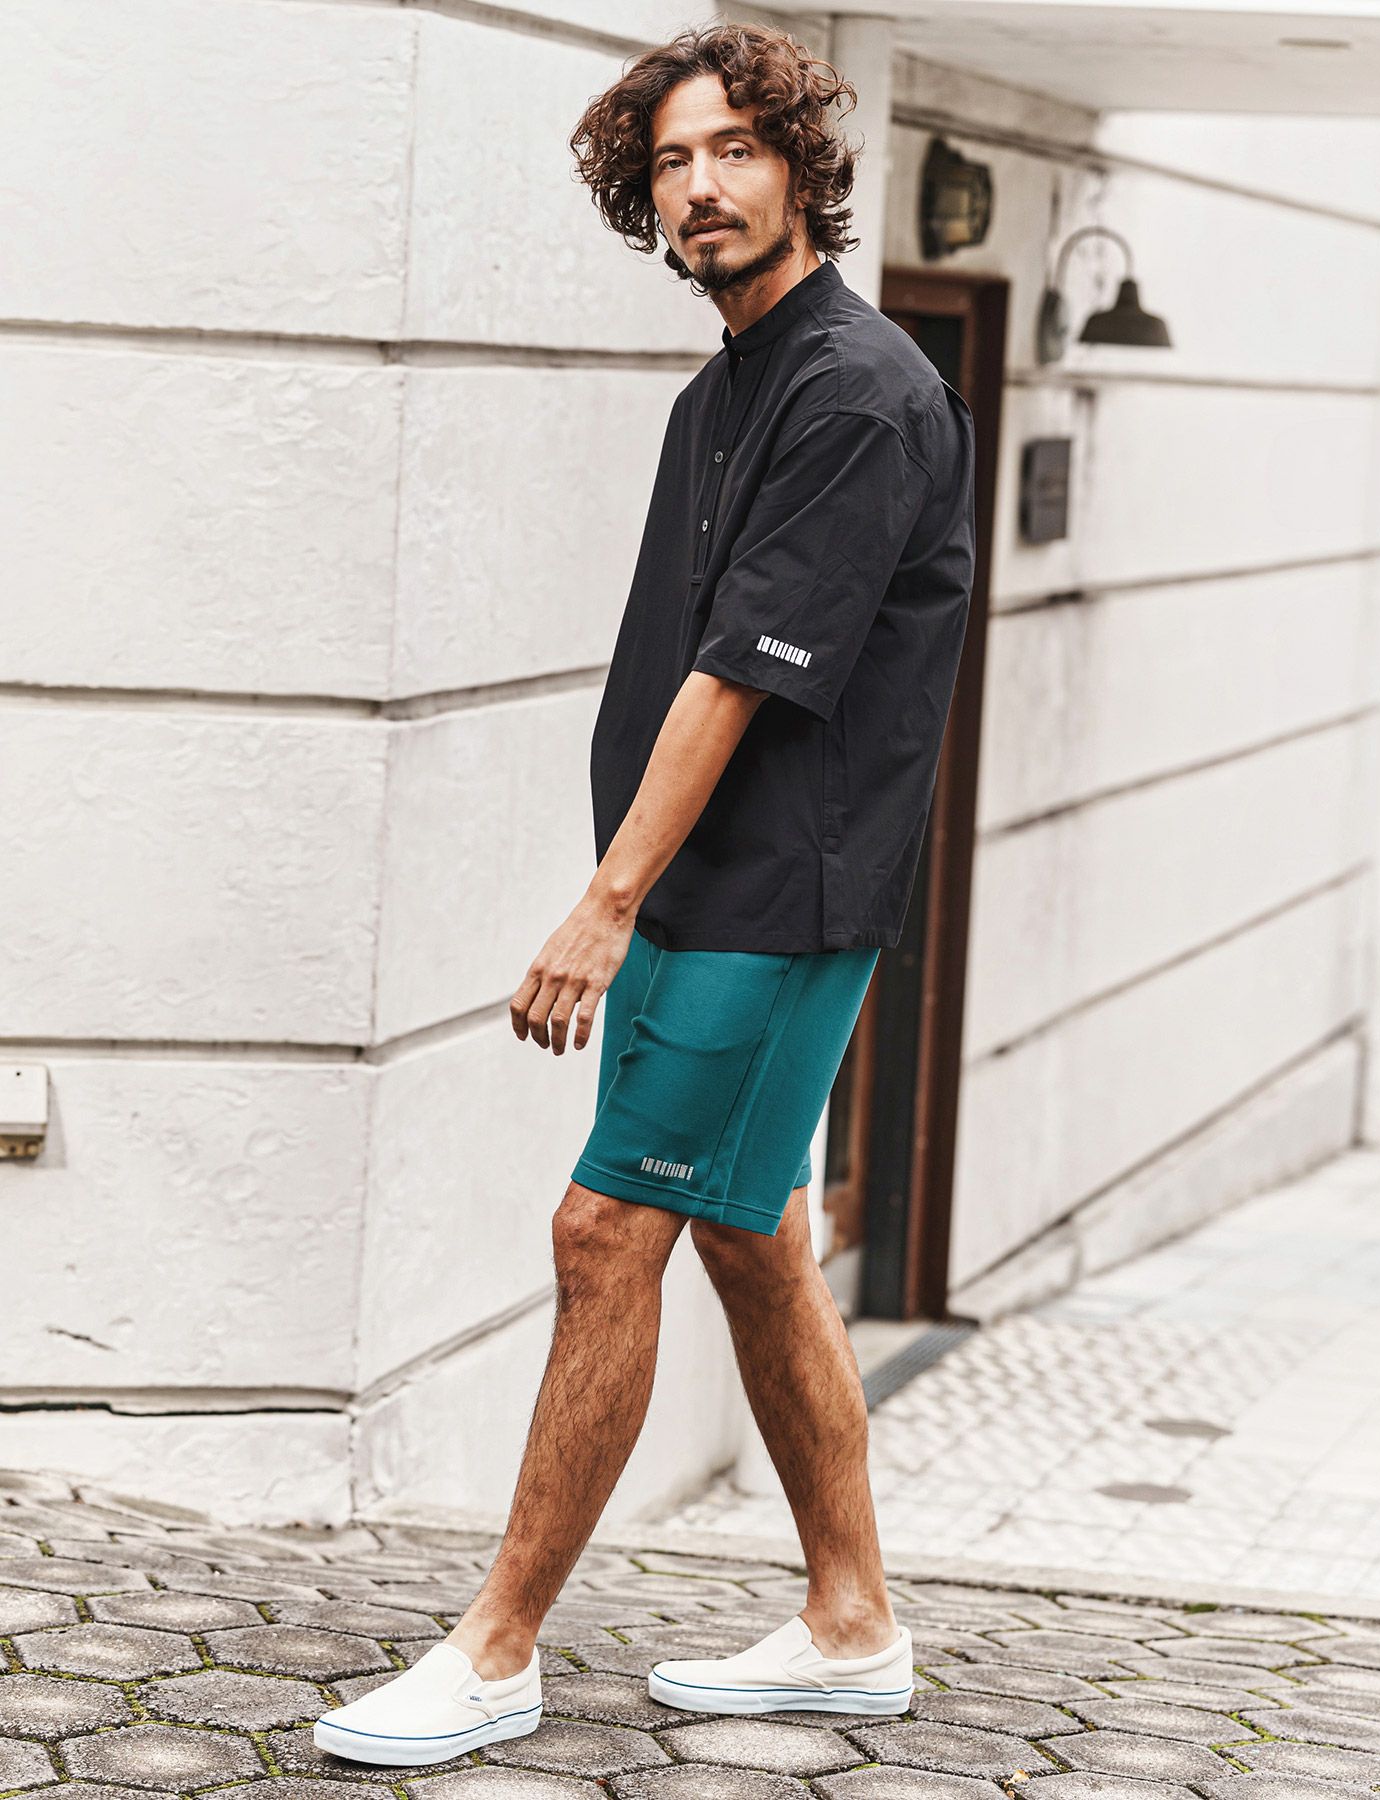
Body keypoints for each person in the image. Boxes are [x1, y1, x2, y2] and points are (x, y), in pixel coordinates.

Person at [313, 20, 976, 1769]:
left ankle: (496, 1649)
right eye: (672, 161)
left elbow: (744, 675)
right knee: (749, 1240)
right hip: (711, 897)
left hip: (770, 904)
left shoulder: (857, 393)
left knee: (606, 1234)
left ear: (801, 168)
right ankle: (850, 1624)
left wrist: (606, 902)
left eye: (735, 149)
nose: (701, 187)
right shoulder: (731, 386)